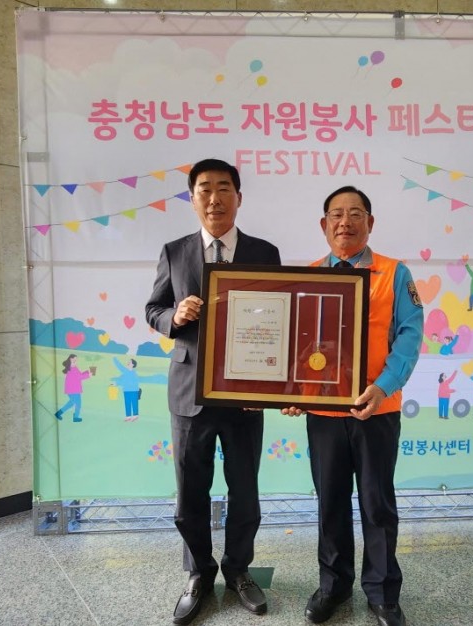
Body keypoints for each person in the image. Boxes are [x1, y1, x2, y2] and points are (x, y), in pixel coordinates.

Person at [145, 158, 281, 625]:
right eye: (204, 189)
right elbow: (153, 309)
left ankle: (238, 569)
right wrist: (175, 316)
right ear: (192, 199)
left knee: (245, 490)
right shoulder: (175, 251)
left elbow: (279, 316)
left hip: (246, 393)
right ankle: (198, 573)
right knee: (190, 493)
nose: (215, 198)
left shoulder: (265, 253)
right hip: (189, 393)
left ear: (239, 198)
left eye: (224, 188)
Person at [284, 185, 423, 626]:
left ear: (370, 223)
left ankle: (382, 593)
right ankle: (333, 586)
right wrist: (293, 392)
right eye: (337, 214)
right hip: (324, 415)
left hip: (376, 409)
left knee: (377, 504)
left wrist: (383, 387)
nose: (345, 222)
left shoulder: (394, 273)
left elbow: (409, 335)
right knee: (330, 502)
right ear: (324, 225)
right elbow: (297, 344)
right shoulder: (309, 277)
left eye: (356, 213)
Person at [55, 354, 95, 422]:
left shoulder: (74, 368)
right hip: (73, 390)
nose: (75, 362)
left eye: (76, 360)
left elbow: (80, 375)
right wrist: (89, 375)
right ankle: (73, 416)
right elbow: (79, 377)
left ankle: (74, 416)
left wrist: (87, 372)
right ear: (70, 360)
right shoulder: (72, 369)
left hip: (74, 389)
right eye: (74, 361)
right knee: (76, 403)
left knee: (73, 403)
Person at [110, 357, 145, 421]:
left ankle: (135, 415)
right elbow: (121, 379)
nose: (128, 363)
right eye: (128, 362)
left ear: (133, 365)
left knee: (134, 403)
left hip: (134, 390)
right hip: (126, 390)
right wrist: (115, 384)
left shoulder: (134, 373)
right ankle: (128, 416)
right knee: (127, 403)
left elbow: (133, 382)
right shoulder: (126, 372)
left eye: (130, 362)